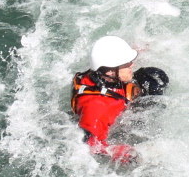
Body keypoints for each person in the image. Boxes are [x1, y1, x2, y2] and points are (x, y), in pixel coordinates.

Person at [71, 36, 169, 164]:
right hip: (116, 121)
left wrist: (136, 49)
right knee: (155, 86)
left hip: (114, 94)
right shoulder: (98, 108)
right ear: (111, 71)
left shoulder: (98, 73)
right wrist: (115, 151)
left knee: (154, 76)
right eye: (127, 63)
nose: (132, 65)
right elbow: (89, 145)